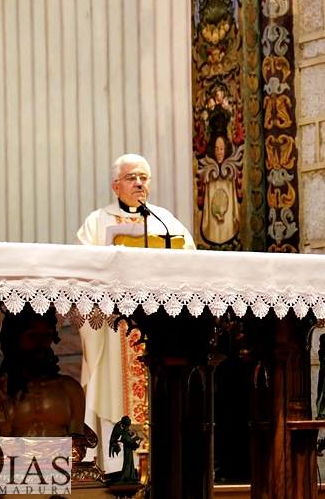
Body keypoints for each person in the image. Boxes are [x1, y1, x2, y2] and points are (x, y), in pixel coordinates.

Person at [75, 153, 195, 472]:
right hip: (115, 332)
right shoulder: (96, 222)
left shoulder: (164, 221)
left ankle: (163, 469)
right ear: (116, 186)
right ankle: (116, 470)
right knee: (114, 391)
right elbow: (83, 271)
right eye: (131, 178)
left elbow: (190, 260)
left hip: (158, 329)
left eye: (144, 177)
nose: (139, 183)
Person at [0, 305, 86, 438]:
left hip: (59, 459)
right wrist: (3, 429)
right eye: (32, 336)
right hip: (11, 459)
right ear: (13, 339)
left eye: (47, 334)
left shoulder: (70, 389)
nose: (42, 343)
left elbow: (79, 446)